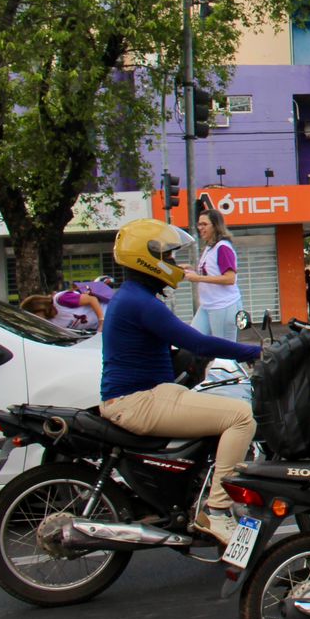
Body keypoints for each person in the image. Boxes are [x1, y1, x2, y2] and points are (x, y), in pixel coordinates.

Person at [97, 219, 262, 544]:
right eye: (168, 258)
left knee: (217, 403)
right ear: (147, 259)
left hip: (145, 395)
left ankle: (199, 493)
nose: (173, 264)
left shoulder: (134, 296)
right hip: (140, 401)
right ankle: (216, 511)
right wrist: (255, 352)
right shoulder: (141, 303)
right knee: (241, 417)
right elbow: (197, 342)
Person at [182, 208, 242, 340]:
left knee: (225, 352)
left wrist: (198, 278)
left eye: (204, 224)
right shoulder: (210, 247)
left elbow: (230, 278)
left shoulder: (223, 247)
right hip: (208, 305)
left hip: (223, 305)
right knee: (192, 341)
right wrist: (191, 270)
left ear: (215, 226)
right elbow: (211, 272)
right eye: (199, 224)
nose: (200, 228)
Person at [21, 281, 111, 332]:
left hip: (109, 311)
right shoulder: (51, 322)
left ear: (38, 308)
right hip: (103, 327)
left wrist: (101, 321)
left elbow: (92, 299)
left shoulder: (60, 300)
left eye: (34, 316)